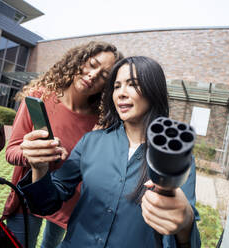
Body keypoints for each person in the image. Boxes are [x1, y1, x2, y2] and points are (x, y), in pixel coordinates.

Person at [17, 56, 201, 247]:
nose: (121, 93)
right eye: (116, 86)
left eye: (132, 84)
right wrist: (39, 168)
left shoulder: (173, 158)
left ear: (153, 90)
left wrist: (185, 222)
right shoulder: (91, 141)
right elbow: (45, 204)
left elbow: (188, 242)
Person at [2, 41, 123, 248]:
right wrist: (35, 155)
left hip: (67, 205)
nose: (93, 75)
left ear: (108, 85)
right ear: (79, 60)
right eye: (92, 64)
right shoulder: (40, 96)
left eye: (104, 75)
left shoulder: (101, 121)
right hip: (27, 199)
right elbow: (11, 151)